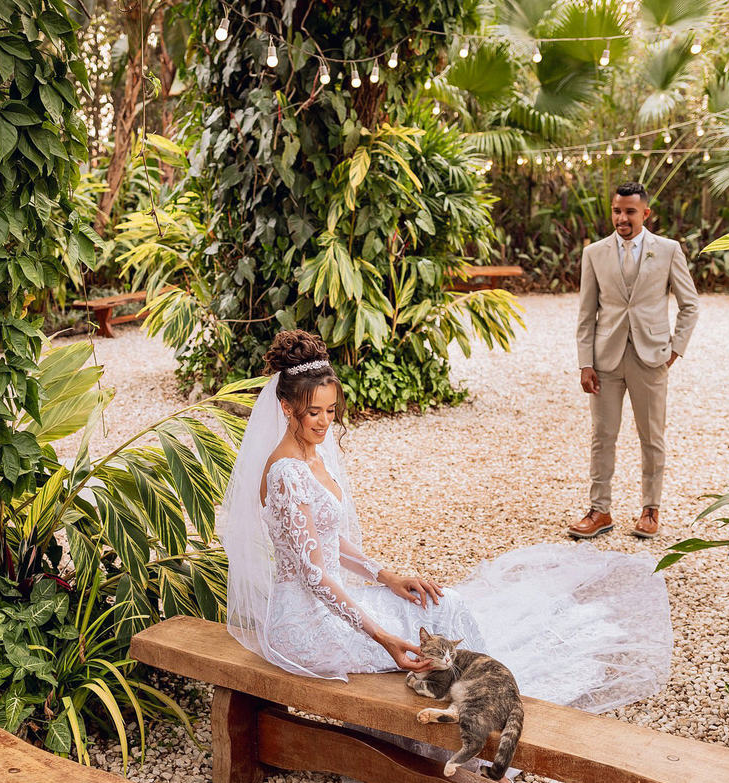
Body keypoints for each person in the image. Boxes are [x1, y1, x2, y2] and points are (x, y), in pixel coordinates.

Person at [220, 329, 673, 717]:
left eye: (330, 410)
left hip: (330, 602)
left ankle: (472, 708)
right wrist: (383, 637)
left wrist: (387, 576)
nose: (324, 422)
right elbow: (315, 574)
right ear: (287, 408)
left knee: (439, 604)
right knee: (428, 628)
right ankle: (463, 723)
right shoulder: (286, 473)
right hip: (305, 624)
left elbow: (328, 539)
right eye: (313, 412)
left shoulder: (313, 455)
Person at [569, 182, 700, 540]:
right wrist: (585, 362)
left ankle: (650, 509)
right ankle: (599, 510)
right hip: (605, 359)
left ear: (646, 213)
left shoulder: (668, 250)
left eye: (630, 211)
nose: (622, 218)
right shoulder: (594, 253)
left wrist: (675, 349)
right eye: (617, 211)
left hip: (651, 357)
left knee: (651, 437)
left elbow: (690, 305)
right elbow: (586, 314)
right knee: (602, 436)